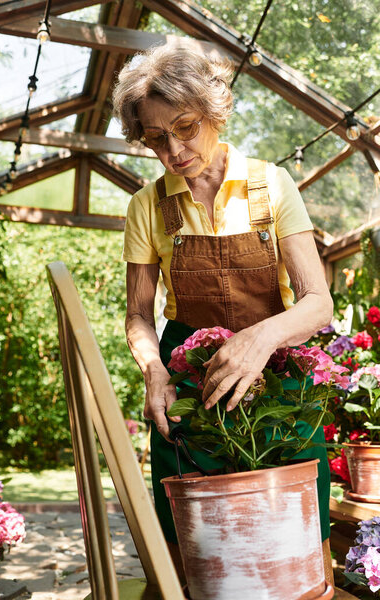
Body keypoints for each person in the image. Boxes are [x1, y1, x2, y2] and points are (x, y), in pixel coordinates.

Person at [113, 43, 334, 583]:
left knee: (297, 540)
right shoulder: (147, 205)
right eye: (156, 138)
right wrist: (155, 373)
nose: (174, 149)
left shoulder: (270, 184)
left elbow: (317, 302)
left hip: (279, 378)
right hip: (187, 383)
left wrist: (258, 341)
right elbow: (140, 316)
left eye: (185, 127)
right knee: (193, 545)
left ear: (214, 111)